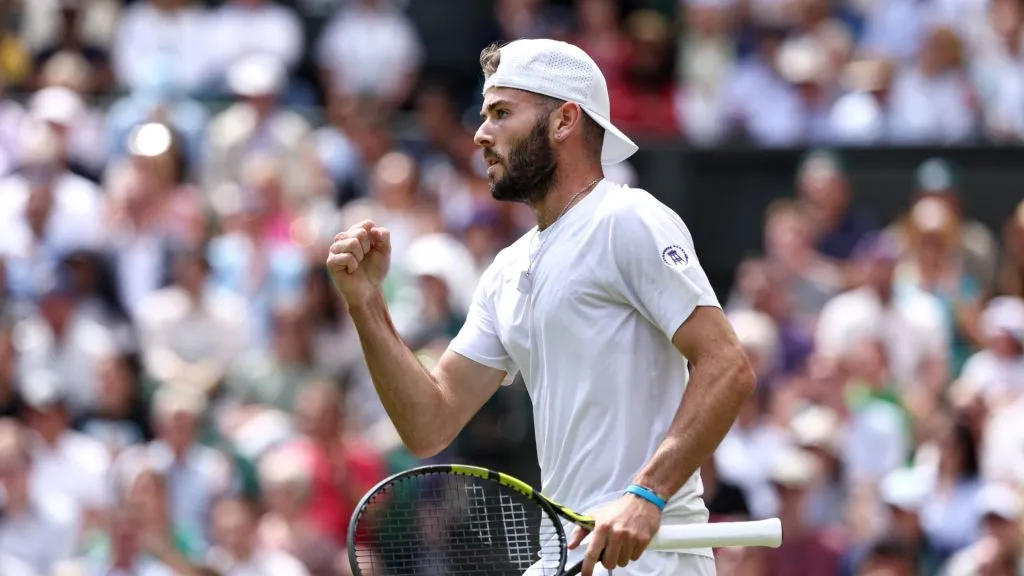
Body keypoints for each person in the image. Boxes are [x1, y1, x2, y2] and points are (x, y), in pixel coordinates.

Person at [326, 38, 756, 576]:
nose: (481, 133)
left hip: (655, 560)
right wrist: (367, 304)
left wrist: (646, 494)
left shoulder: (627, 220)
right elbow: (429, 423)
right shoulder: (506, 270)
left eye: (502, 113)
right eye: (484, 115)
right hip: (568, 558)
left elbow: (727, 366)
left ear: (564, 121)